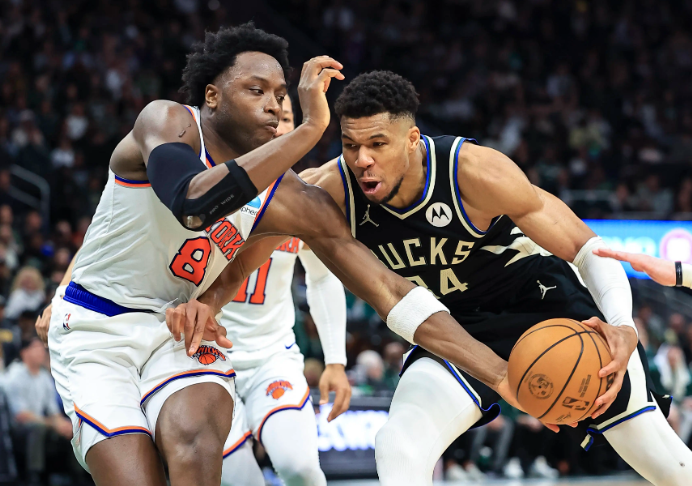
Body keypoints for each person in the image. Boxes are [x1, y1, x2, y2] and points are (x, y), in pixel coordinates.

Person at [43, 23, 521, 486]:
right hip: (96, 329)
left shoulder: (289, 195)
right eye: (256, 90)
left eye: (279, 94)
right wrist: (310, 130)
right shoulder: (169, 121)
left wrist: (499, 374)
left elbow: (390, 291)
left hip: (182, 327)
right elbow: (192, 203)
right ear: (212, 96)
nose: (273, 104)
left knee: (200, 437)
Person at [223, 71, 689, 486]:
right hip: (454, 326)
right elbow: (251, 251)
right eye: (350, 145)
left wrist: (623, 324)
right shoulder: (331, 190)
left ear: (411, 139)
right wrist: (207, 303)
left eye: (378, 144)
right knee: (398, 448)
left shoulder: (472, 171)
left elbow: (586, 248)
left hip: (546, 309)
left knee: (670, 469)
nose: (362, 159)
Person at [219, 95, 350, 486]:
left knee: (302, 469)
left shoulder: (305, 198)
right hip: (203, 358)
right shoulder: (207, 186)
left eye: (286, 117)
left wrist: (336, 361)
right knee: (241, 481)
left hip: (270, 356)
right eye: (266, 115)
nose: (277, 125)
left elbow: (322, 278)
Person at [4, 335, 77, 484]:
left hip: (41, 421)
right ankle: (34, 477)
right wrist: (53, 424)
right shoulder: (15, 375)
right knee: (38, 429)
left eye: (42, 348)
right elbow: (21, 415)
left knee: (72, 426)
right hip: (18, 427)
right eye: (36, 348)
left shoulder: (44, 376)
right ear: (24, 352)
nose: (42, 352)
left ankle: (76, 476)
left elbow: (53, 410)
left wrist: (62, 424)